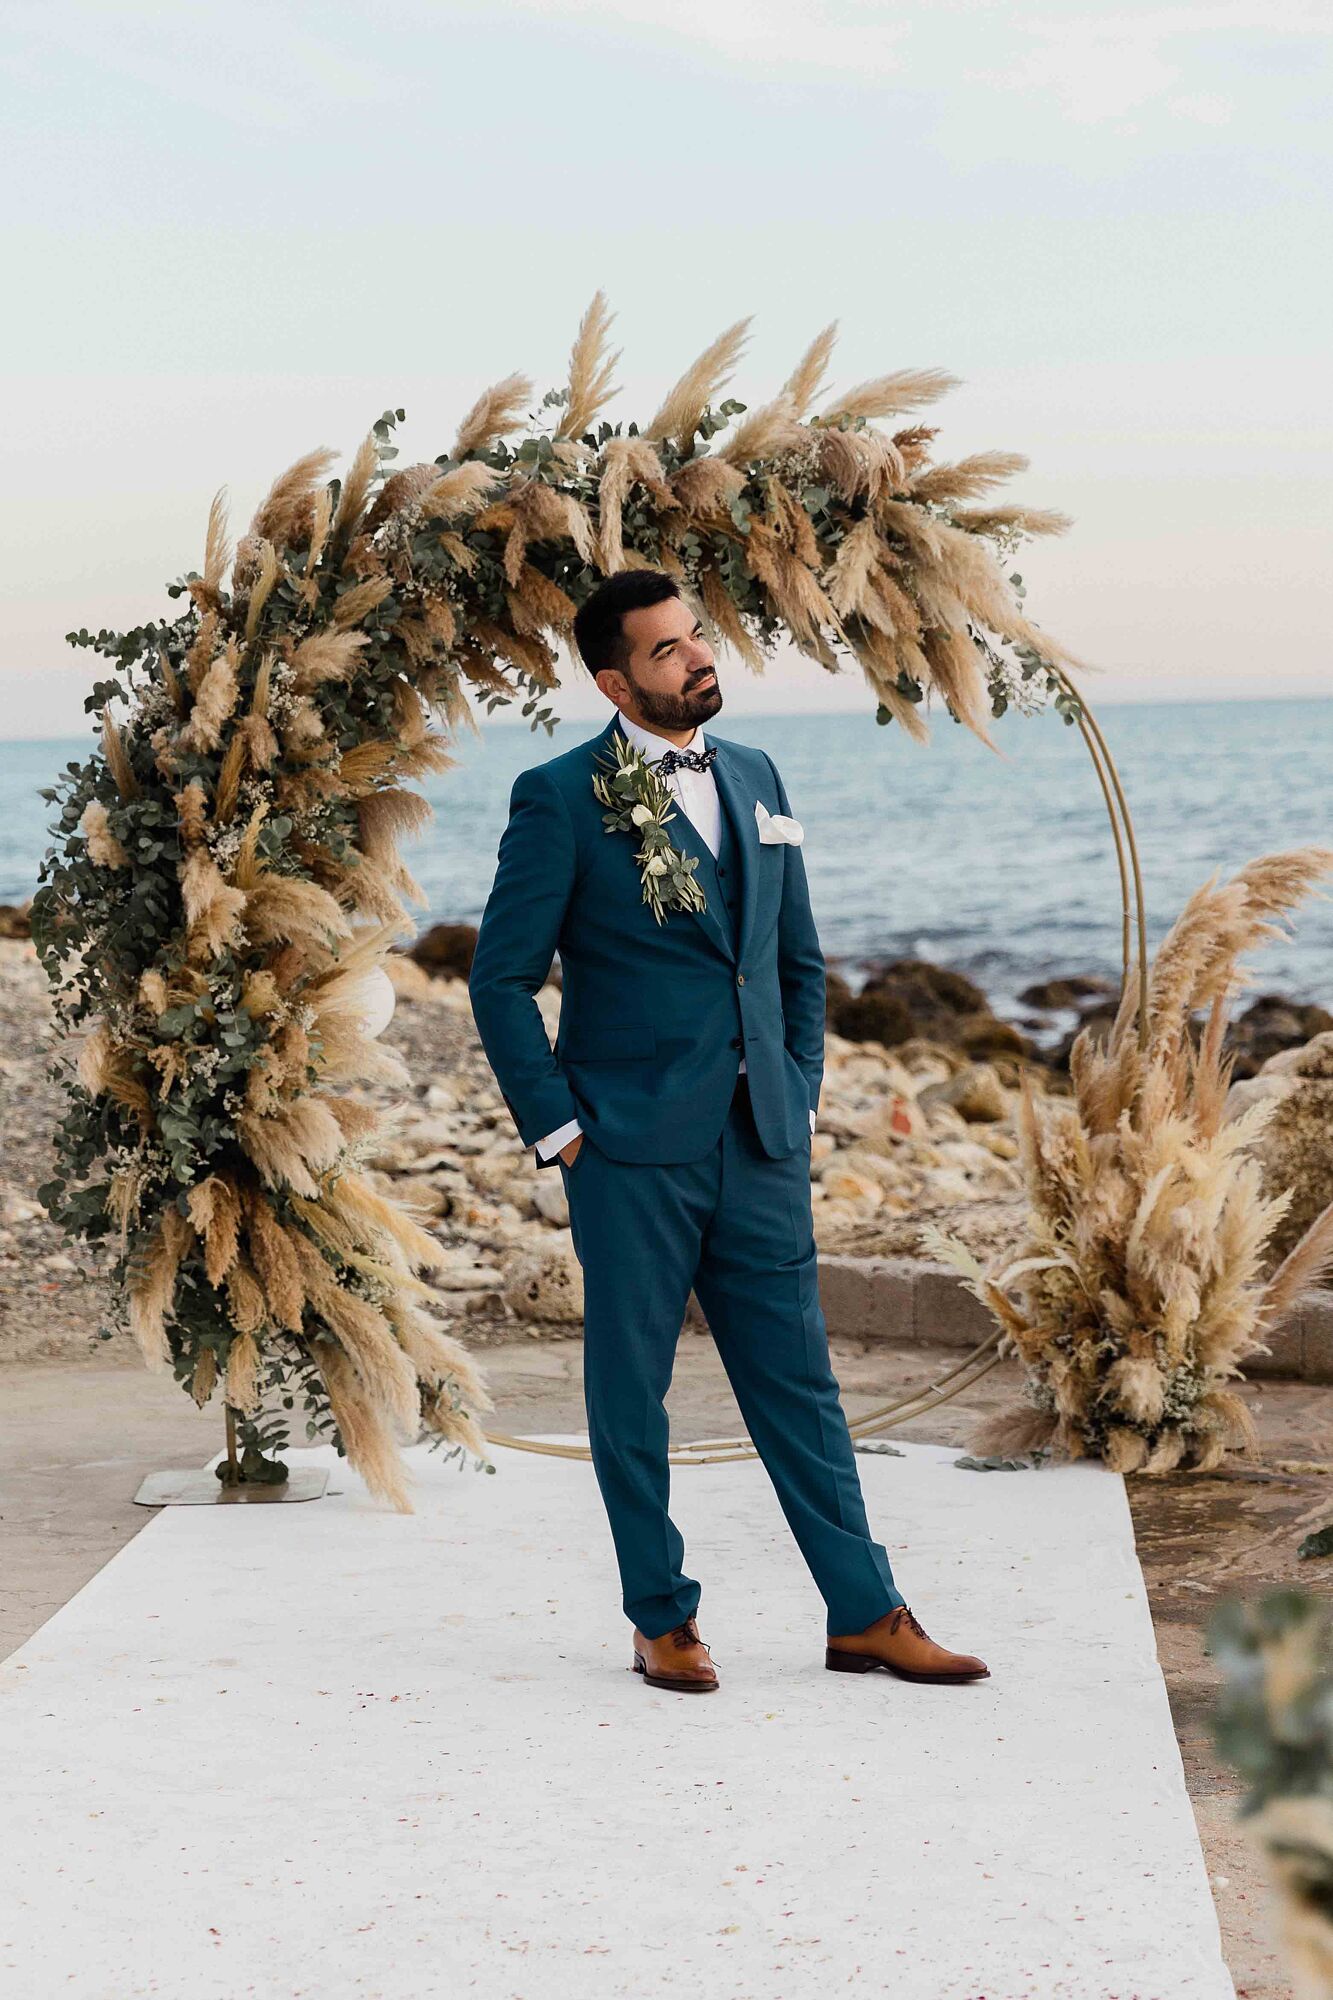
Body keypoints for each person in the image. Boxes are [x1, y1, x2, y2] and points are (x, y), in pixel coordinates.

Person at [467, 569, 988, 1693]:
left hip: (759, 1141)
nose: (697, 657)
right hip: (627, 1150)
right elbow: (500, 980)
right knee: (630, 1392)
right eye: (665, 650)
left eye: (695, 635)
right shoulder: (559, 796)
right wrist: (560, 1132)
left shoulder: (754, 774)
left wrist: (795, 1095)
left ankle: (866, 1611)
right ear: (613, 679)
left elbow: (795, 959)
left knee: (800, 1384)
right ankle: (661, 1615)